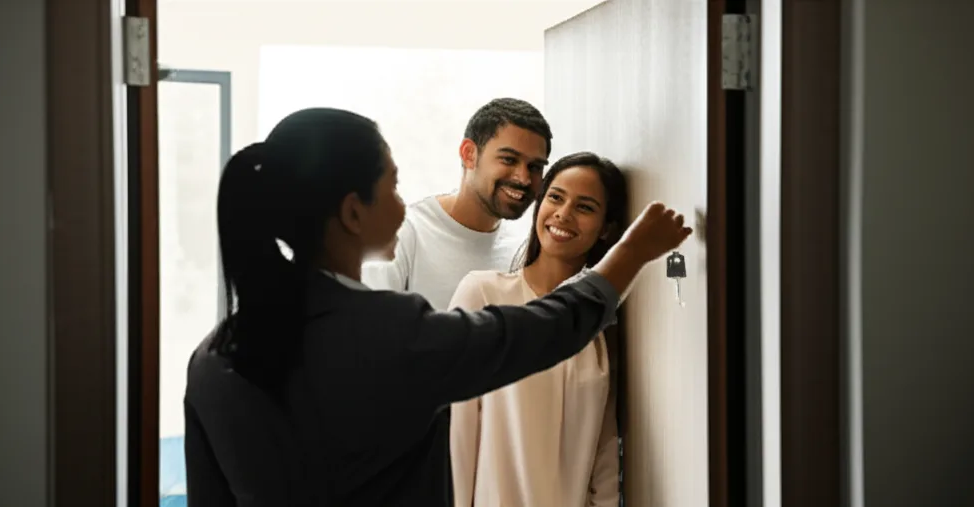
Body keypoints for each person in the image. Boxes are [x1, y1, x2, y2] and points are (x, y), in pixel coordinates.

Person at [183, 107, 692, 507]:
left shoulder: (214, 358)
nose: (406, 205)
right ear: (353, 211)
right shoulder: (391, 335)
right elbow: (542, 330)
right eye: (393, 186)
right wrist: (629, 253)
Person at [449, 152, 629, 507]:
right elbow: (455, 432)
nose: (563, 214)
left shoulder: (601, 326)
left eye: (585, 207)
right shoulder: (483, 294)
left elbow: (605, 452)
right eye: (556, 197)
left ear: (606, 228)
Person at [361, 98, 552, 310]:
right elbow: (371, 330)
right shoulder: (404, 234)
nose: (524, 178)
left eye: (535, 167)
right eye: (508, 159)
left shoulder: (523, 248)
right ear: (469, 154)